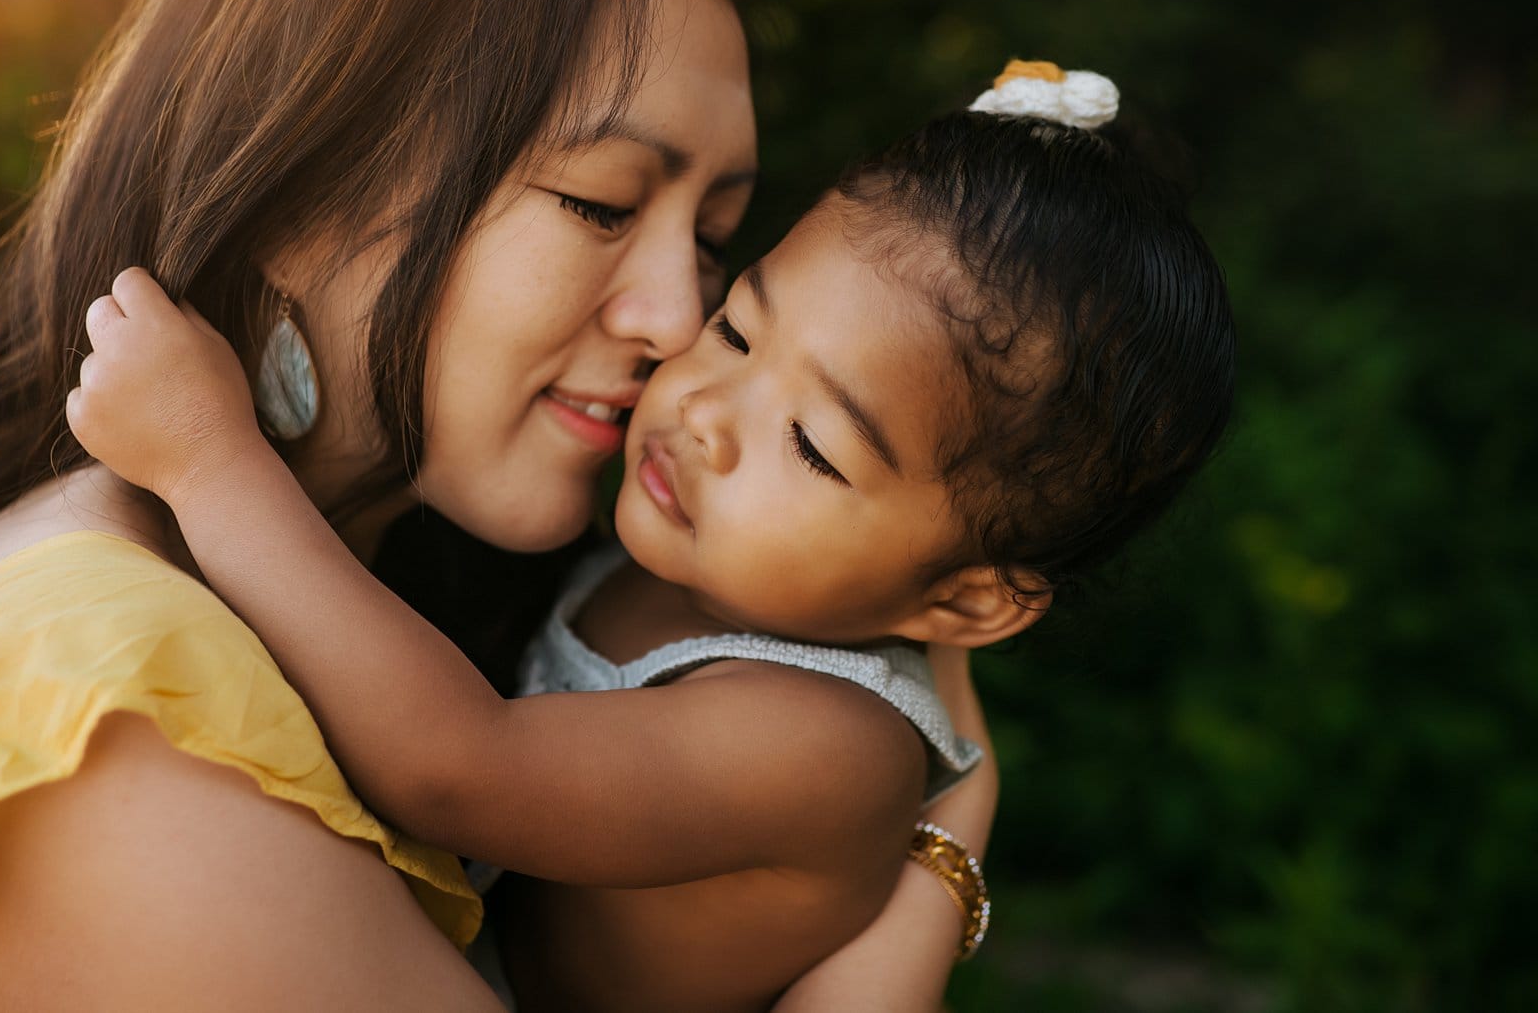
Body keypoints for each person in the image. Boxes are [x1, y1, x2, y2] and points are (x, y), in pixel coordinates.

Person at [0, 0, 998, 1011]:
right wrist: (936, 868)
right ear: (314, 161)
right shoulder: (112, 706)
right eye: (601, 202)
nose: (678, 316)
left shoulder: (335, 637)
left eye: (710, 238)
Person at [64, 62, 1238, 1011]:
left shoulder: (822, 738)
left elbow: (456, 766)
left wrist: (211, 458)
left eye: (815, 445)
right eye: (734, 331)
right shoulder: (701, 554)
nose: (702, 412)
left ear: (966, 603)